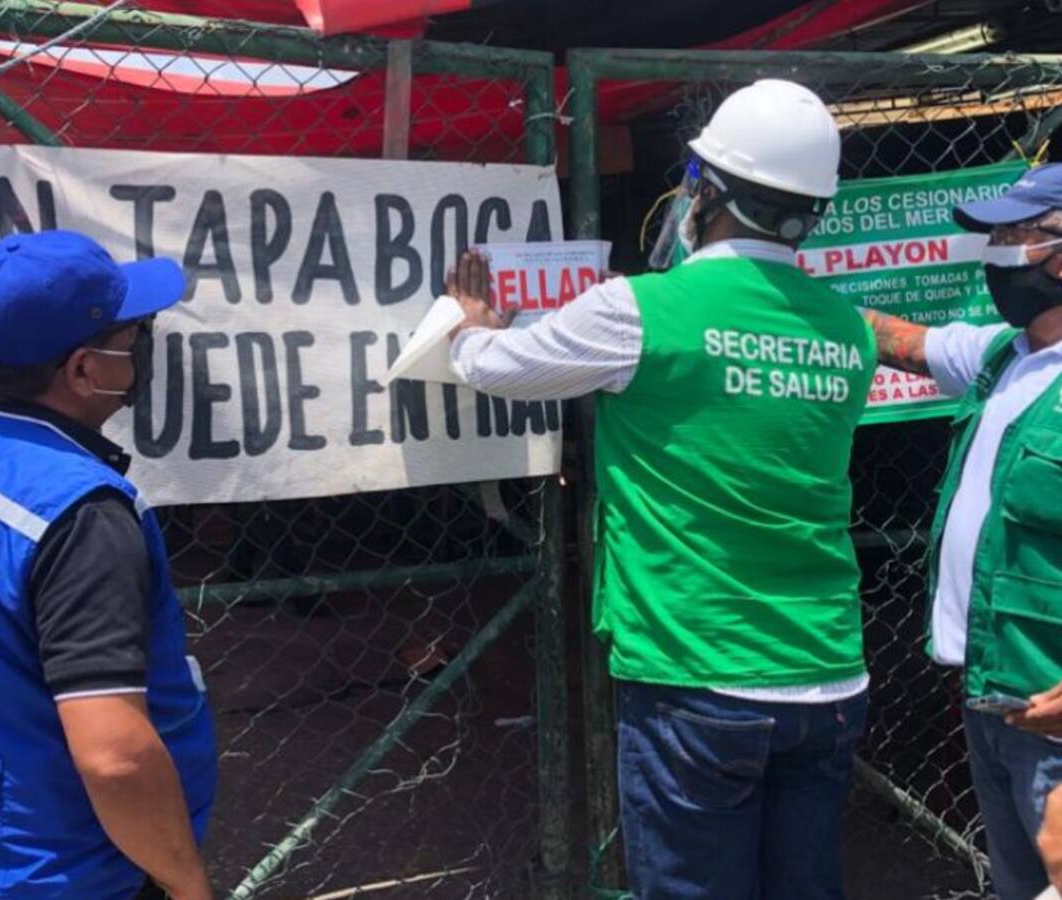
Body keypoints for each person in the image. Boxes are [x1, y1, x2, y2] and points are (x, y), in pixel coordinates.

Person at [444, 79, 875, 899]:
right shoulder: (847, 330)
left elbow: (498, 368)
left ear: (704, 190)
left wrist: (470, 326)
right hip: (828, 673)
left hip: (698, 673)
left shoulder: (641, 310)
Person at [0, 231, 216, 899]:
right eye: (131, 335)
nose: (141, 348)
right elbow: (113, 757)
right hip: (55, 875)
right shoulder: (80, 513)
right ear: (84, 370)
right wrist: (189, 887)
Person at [865, 163, 1062, 900]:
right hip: (995, 702)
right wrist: (764, 286)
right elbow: (899, 340)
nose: (997, 254)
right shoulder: (1001, 357)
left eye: (1015, 237)